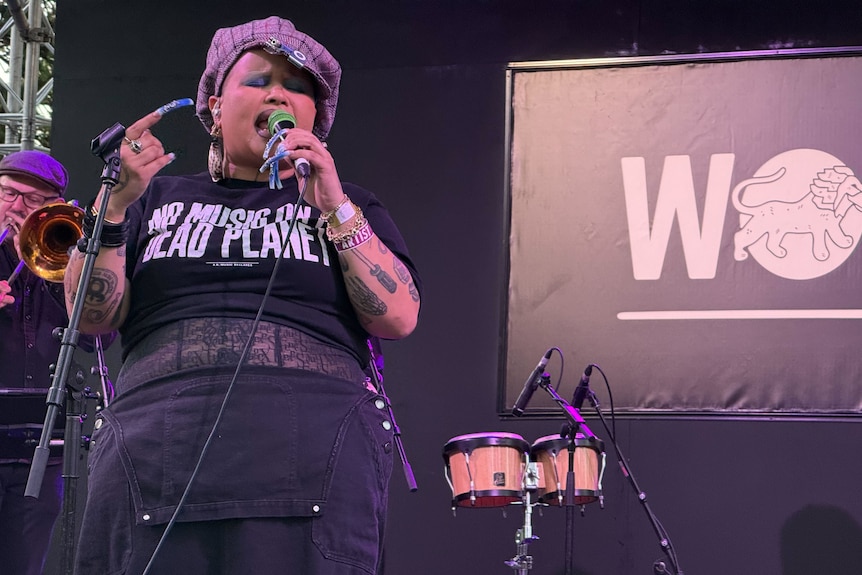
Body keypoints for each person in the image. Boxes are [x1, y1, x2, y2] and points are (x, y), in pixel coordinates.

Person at [65, 15, 422, 575]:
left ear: (315, 120)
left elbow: (398, 317)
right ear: (212, 105)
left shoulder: (348, 203)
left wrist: (334, 207)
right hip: (156, 445)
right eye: (258, 79)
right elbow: (89, 317)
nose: (279, 93)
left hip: (315, 451)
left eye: (298, 87)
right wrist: (111, 208)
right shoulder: (154, 198)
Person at [0, 150, 72, 575]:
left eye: (34, 201)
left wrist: (66, 271)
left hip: (40, 453)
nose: (18, 208)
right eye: (10, 193)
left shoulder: (66, 260)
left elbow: (106, 334)